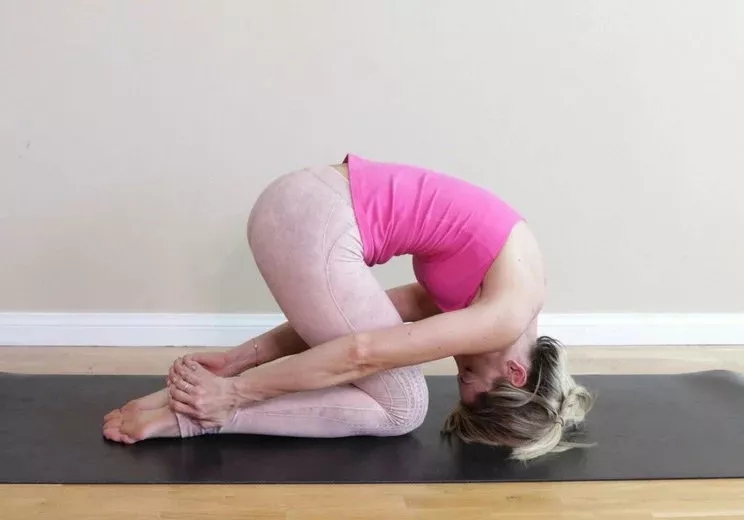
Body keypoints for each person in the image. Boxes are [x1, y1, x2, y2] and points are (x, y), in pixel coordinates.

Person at [103, 154, 594, 461]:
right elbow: (361, 351)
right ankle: (201, 415)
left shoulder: (515, 285)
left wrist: (240, 359)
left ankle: (179, 401)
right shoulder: (504, 316)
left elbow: (362, 315)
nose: (458, 367)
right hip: (314, 222)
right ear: (514, 373)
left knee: (377, 376)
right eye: (468, 377)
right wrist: (232, 394)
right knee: (403, 407)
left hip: (300, 201)